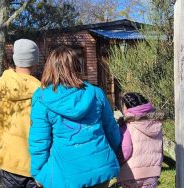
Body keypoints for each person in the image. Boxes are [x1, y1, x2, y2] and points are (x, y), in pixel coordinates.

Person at [29, 46, 120, 188]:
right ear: (78, 66)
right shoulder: (96, 93)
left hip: (65, 174)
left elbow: (39, 141)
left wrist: (38, 172)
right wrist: (115, 154)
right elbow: (112, 130)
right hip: (99, 166)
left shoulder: (42, 98)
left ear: (50, 68)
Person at [0, 39, 41, 188]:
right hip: (34, 162)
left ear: (15, 59)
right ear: (35, 60)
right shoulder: (40, 90)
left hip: (8, 158)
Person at [117, 93, 163, 188]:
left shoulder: (127, 124)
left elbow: (126, 150)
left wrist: (118, 162)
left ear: (126, 107)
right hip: (153, 173)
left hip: (131, 174)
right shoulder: (156, 122)